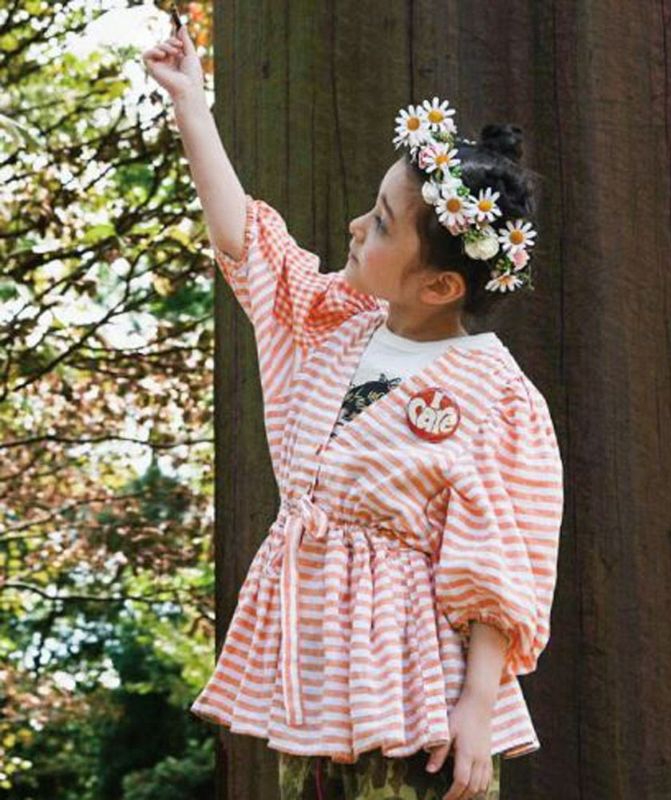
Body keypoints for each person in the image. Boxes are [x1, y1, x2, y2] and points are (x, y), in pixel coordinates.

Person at [143, 16, 563, 800]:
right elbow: (247, 248)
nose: (355, 227)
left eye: (380, 225)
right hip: (314, 674)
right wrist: (191, 105)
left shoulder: (496, 396)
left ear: (441, 285)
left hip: (417, 690)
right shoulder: (333, 322)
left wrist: (477, 708)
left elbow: (501, 561)